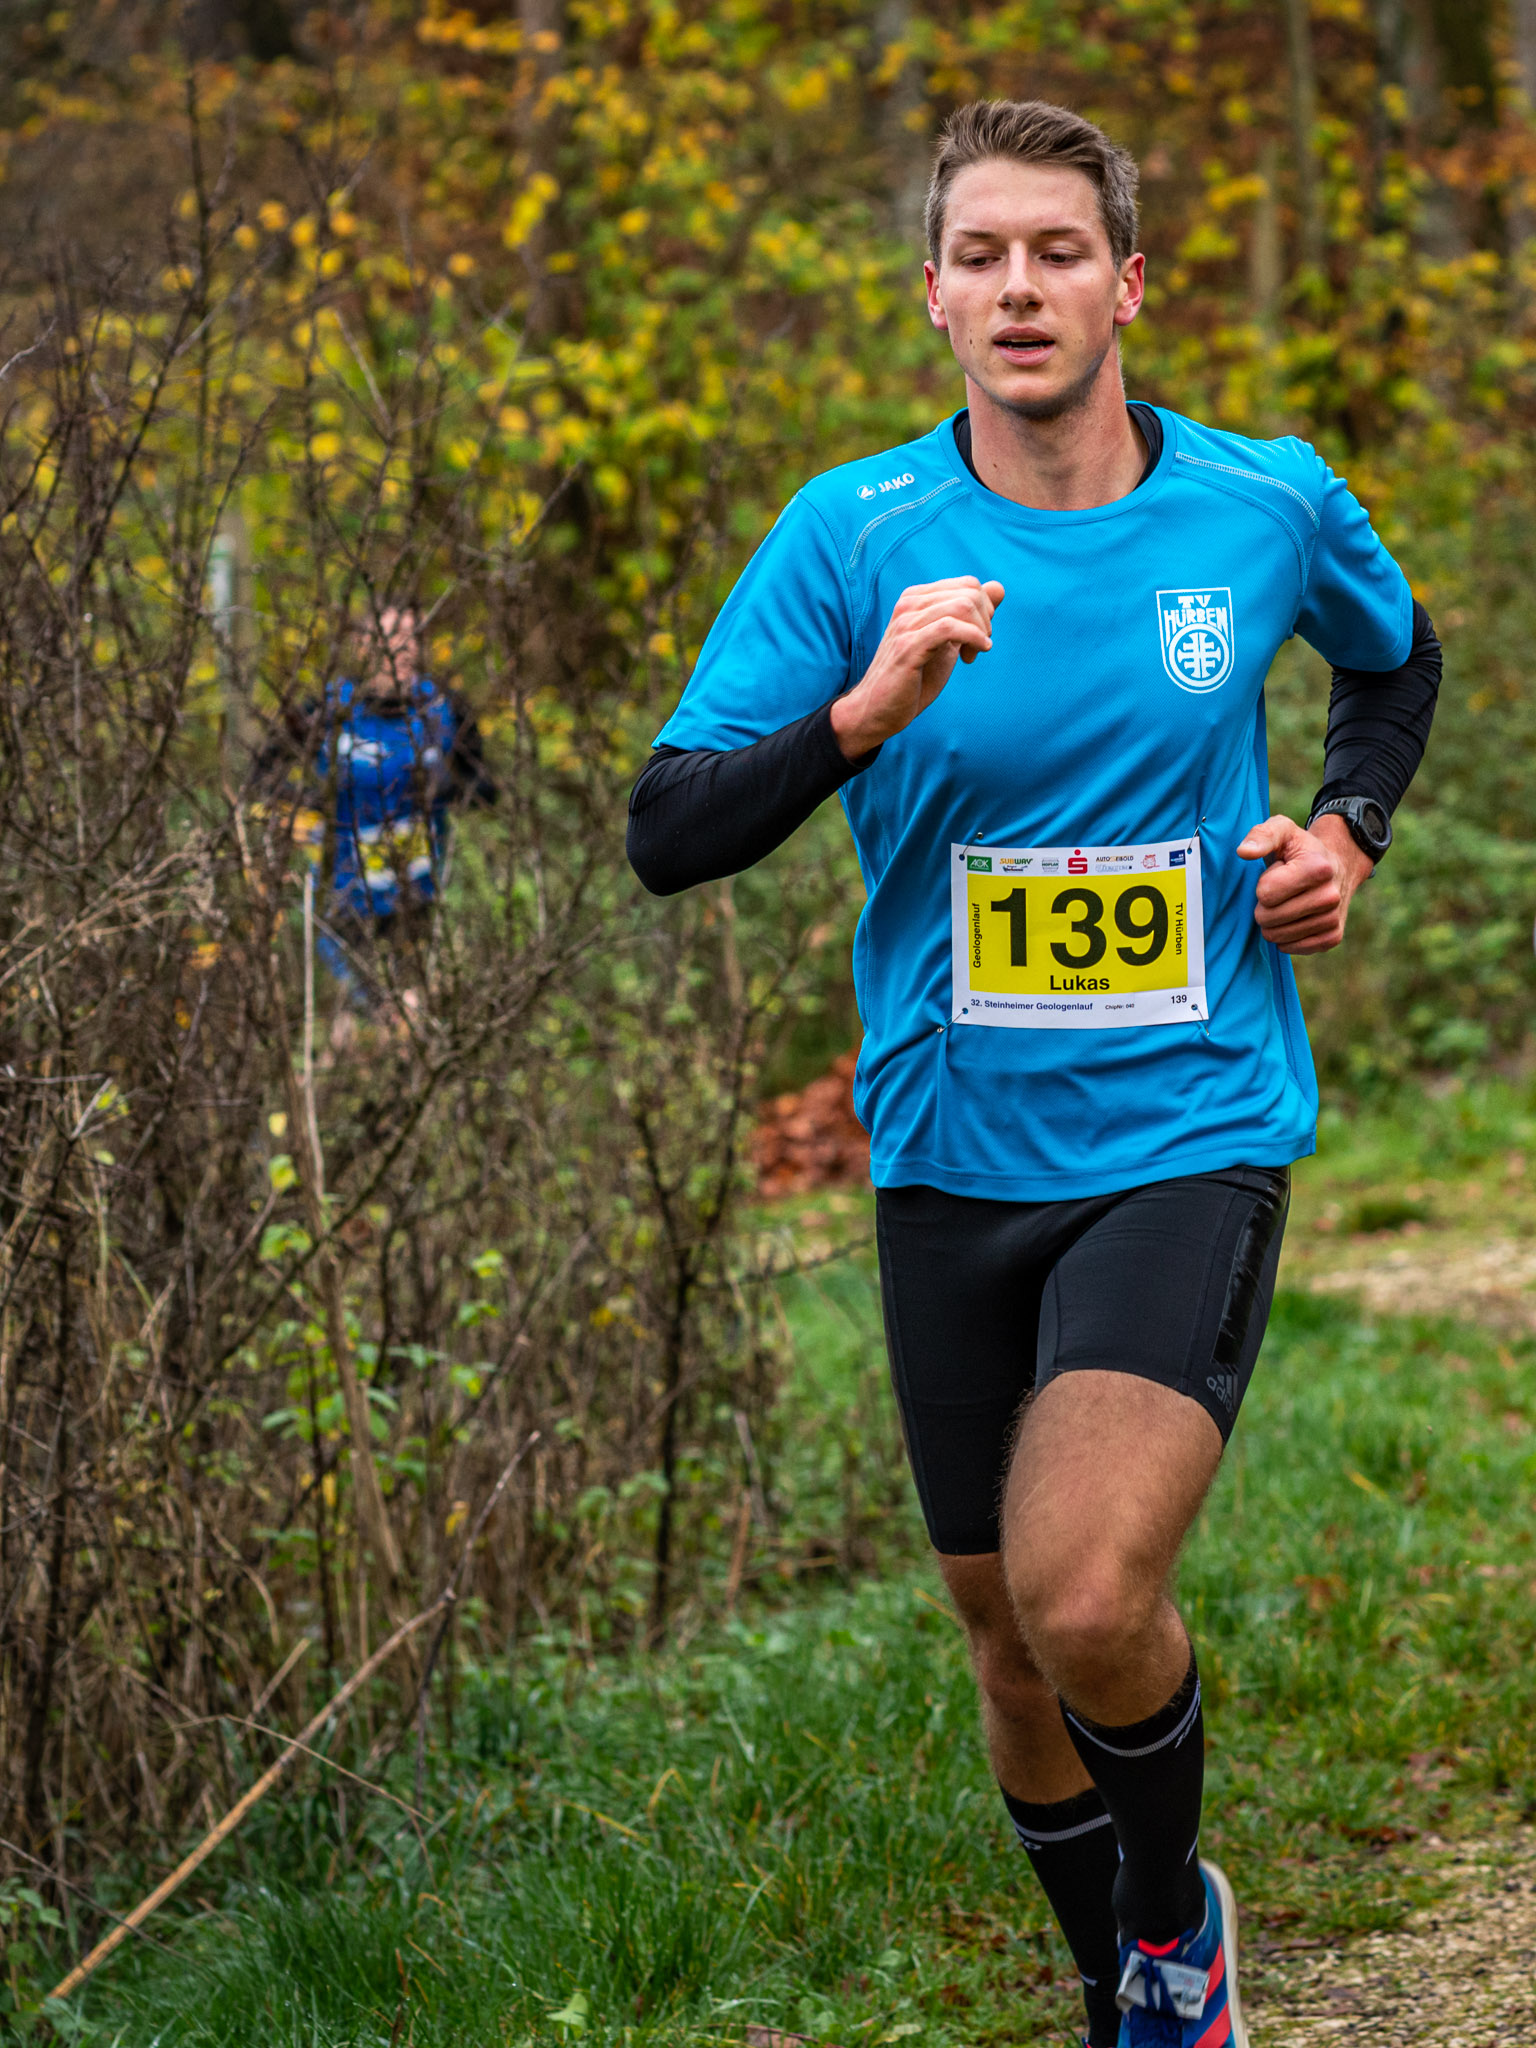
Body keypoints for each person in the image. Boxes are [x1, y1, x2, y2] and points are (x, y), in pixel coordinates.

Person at [627, 99, 1440, 2048]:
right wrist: (864, 710)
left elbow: (1395, 662)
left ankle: (1171, 1921)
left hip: (1190, 1121)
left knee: (1084, 1593)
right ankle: (1121, 1995)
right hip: (948, 1149)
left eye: (1057, 251)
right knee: (1004, 1635)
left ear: (1125, 284)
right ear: (932, 294)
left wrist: (1345, 834)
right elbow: (668, 828)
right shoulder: (855, 536)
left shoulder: (1262, 505)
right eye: (980, 254)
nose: (1019, 286)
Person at [259, 603, 496, 1006]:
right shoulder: (328, 709)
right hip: (344, 894)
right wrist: (313, 805)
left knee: (411, 1010)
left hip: (419, 895)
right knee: (361, 1012)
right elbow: (262, 775)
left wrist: (445, 791)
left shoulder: (443, 707)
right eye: (391, 636)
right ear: (361, 645)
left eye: (412, 636)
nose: (402, 648)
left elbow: (486, 788)